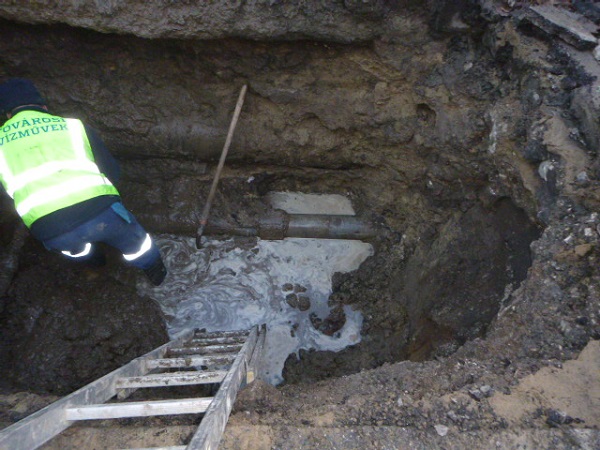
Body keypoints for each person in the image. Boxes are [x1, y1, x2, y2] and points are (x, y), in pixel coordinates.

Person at [0, 78, 167, 285]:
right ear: (43, 106)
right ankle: (156, 273)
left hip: (51, 228)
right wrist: (110, 202)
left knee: (77, 249)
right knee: (138, 245)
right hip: (101, 213)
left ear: (7, 114)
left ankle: (95, 262)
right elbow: (111, 170)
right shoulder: (73, 126)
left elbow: (6, 195)